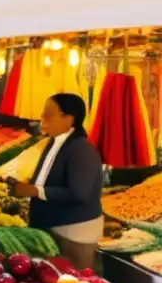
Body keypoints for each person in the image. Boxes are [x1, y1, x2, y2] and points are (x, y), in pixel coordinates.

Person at [9, 94, 103, 270]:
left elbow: (78, 194)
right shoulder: (54, 142)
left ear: (69, 119)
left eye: (48, 115)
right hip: (53, 228)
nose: (42, 119)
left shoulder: (83, 149)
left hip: (74, 233)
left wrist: (35, 191)